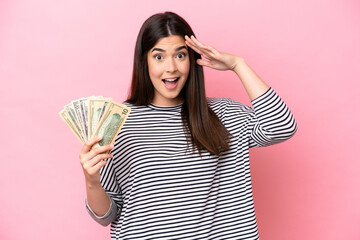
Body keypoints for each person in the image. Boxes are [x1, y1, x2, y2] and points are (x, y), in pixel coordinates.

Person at [79, 11, 297, 239]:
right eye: (159, 57)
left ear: (192, 60)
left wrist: (238, 65)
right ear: (144, 61)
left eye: (180, 55)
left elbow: (281, 126)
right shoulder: (118, 122)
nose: (171, 67)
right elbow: (106, 216)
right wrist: (91, 180)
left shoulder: (223, 113)